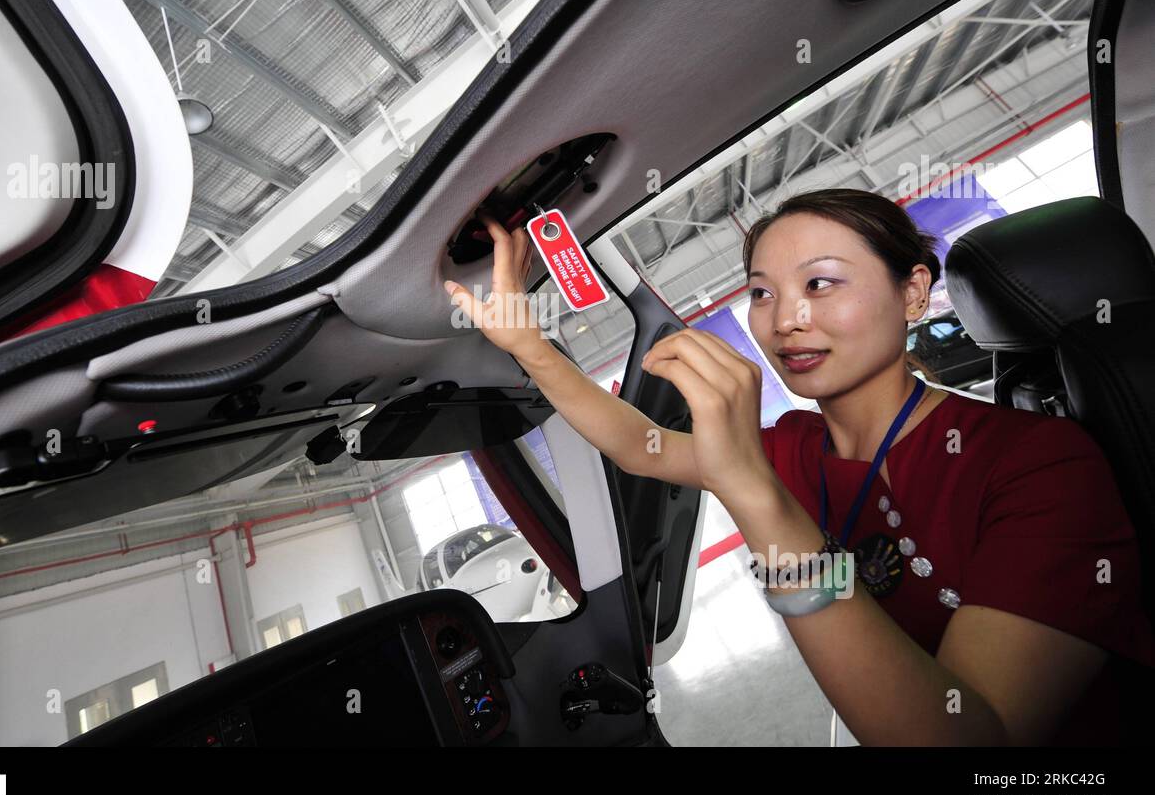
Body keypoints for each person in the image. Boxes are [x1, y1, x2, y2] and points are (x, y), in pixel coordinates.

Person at [444, 188, 1155, 746]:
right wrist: (530, 348)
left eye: (821, 283)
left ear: (912, 292)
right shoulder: (793, 447)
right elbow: (641, 446)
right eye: (761, 292)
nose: (784, 319)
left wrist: (757, 497)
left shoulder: (1038, 464)